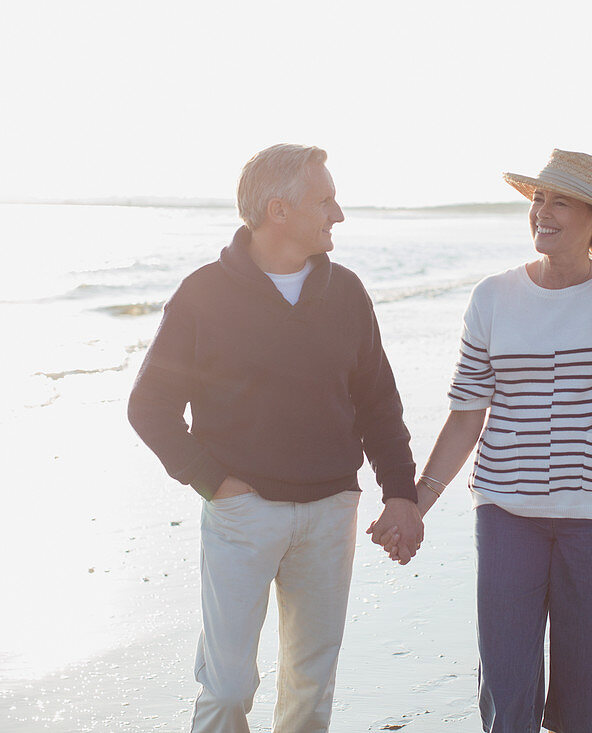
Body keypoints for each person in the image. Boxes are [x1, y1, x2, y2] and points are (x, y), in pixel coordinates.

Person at [378, 149, 592, 732]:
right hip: (506, 510)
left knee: (590, 696)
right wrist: (415, 504)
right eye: (539, 199)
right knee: (506, 685)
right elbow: (464, 417)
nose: (542, 213)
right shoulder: (492, 298)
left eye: (563, 202)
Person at [127, 143, 423, 733]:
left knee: (311, 682)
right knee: (229, 684)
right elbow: (149, 406)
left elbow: (379, 406)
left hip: (331, 509)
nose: (337, 213)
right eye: (326, 200)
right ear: (278, 210)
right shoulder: (203, 293)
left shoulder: (347, 294)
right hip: (243, 511)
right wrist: (216, 482)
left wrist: (401, 494)